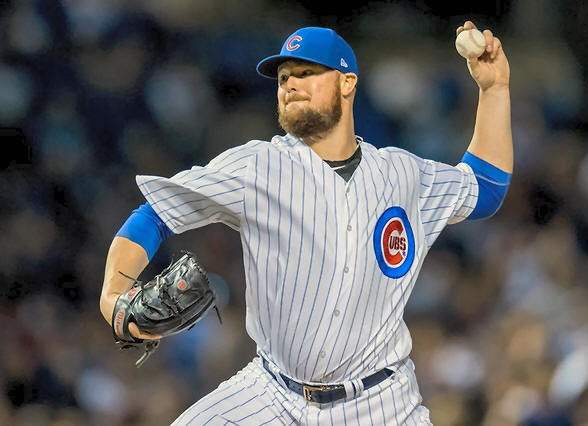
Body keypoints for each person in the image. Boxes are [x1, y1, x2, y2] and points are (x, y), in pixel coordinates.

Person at [100, 21, 512, 425]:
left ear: (347, 83)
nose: (290, 84)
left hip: (383, 403)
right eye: (283, 77)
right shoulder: (258, 166)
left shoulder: (402, 175)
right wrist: (114, 292)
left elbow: (485, 188)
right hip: (271, 394)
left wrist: (494, 90)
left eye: (306, 72)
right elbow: (154, 215)